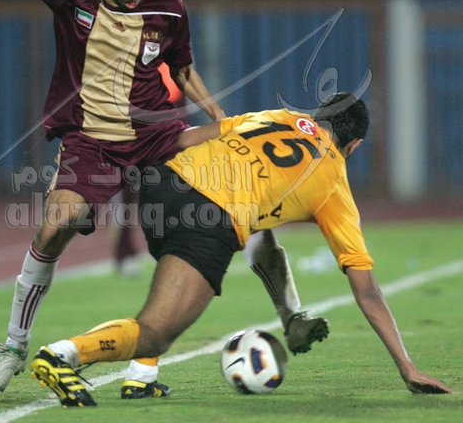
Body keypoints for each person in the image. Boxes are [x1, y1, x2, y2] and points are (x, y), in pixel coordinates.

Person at [0, 0, 327, 398]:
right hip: (92, 143)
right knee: (55, 226)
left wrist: (219, 117)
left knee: (239, 195)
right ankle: (13, 347)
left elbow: (183, 68)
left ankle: (293, 314)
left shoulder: (168, 7)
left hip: (159, 138)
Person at [30, 92, 453, 407]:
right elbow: (367, 291)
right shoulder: (334, 182)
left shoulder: (276, 117)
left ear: (317, 116)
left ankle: (141, 376)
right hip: (209, 217)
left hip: (162, 184)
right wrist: (407, 367)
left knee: (246, 238)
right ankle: (62, 355)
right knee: (157, 328)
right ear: (354, 145)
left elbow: (193, 140)